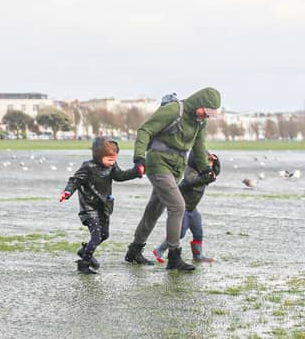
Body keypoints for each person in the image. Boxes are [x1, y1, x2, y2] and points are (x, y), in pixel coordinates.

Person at [124, 87, 221, 272]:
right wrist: (139, 158)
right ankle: (174, 257)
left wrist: (206, 170)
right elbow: (145, 130)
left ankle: (134, 251)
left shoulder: (200, 123)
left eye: (210, 114)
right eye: (206, 111)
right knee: (178, 206)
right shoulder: (174, 110)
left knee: (154, 210)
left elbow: (199, 148)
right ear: (199, 103)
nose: (207, 116)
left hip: (176, 169)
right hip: (157, 164)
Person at [59, 137, 143, 274]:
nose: (112, 163)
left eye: (114, 160)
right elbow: (74, 181)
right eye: (109, 160)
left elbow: (120, 176)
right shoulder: (88, 167)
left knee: (105, 235)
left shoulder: (112, 166)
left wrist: (136, 172)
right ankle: (84, 264)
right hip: (89, 206)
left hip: (104, 207)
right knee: (96, 236)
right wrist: (67, 192)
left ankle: (85, 251)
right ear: (99, 157)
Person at [152, 151, 221, 263]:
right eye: (207, 163)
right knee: (180, 233)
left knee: (198, 232)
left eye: (210, 164)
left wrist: (216, 160)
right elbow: (192, 182)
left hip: (193, 210)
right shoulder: (190, 171)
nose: (209, 166)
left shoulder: (206, 172)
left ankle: (198, 256)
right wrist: (206, 178)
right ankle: (159, 250)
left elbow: (216, 172)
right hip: (182, 209)